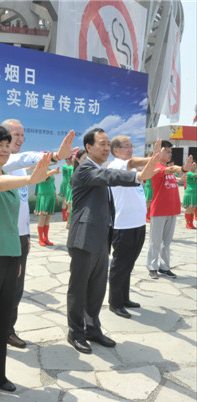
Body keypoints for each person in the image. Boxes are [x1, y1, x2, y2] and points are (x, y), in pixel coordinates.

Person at [0, 125, 56, 400]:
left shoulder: (8, 175)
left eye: (8, 144)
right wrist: (30, 180)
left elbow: (12, 222)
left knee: (2, 319)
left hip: (9, 255)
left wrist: (17, 258)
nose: (5, 149)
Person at [66, 128, 160, 354]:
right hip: (84, 239)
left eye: (108, 144)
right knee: (79, 289)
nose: (107, 148)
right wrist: (138, 176)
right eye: (102, 144)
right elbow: (109, 178)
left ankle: (92, 328)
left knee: (97, 288)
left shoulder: (99, 167)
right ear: (89, 148)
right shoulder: (86, 169)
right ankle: (75, 332)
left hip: (100, 238)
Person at [0, 119, 76, 348]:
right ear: (3, 138)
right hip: (5, 237)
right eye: (16, 134)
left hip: (20, 236)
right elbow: (22, 159)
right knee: (5, 288)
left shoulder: (19, 165)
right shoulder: (5, 162)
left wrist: (28, 236)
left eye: (23, 135)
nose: (21, 139)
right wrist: (53, 155)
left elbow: (23, 206)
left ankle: (7, 329)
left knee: (16, 287)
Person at [107, 136, 162, 318]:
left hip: (137, 224)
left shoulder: (130, 169)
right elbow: (130, 161)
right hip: (123, 226)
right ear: (116, 150)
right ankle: (115, 303)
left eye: (131, 146)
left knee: (128, 265)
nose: (130, 150)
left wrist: (153, 160)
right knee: (120, 265)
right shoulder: (116, 165)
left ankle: (124, 298)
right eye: (126, 147)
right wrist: (152, 157)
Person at [146, 141, 193, 279]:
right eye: (167, 151)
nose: (170, 154)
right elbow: (171, 170)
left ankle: (164, 267)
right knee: (155, 241)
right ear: (158, 152)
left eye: (170, 152)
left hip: (172, 210)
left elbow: (174, 176)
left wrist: (184, 171)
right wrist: (183, 168)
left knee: (166, 242)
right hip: (159, 210)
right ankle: (152, 267)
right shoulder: (156, 167)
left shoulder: (167, 167)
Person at [34, 172, 58, 246]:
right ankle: (40, 239)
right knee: (42, 219)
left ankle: (46, 238)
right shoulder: (41, 171)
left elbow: (53, 185)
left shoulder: (51, 171)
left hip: (51, 197)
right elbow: (45, 179)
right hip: (43, 197)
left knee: (47, 220)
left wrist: (55, 197)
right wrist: (52, 172)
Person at [182, 162, 197, 229]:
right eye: (193, 165)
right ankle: (187, 223)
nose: (195, 166)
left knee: (193, 209)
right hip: (189, 192)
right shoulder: (189, 173)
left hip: (195, 193)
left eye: (195, 165)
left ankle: (191, 223)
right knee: (189, 208)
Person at [59, 156, 74, 221]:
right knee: (65, 201)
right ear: (66, 159)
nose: (70, 159)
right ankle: (64, 216)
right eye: (69, 158)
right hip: (65, 184)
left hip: (70, 184)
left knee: (69, 201)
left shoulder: (71, 166)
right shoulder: (65, 167)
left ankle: (68, 218)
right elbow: (70, 170)